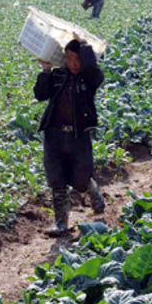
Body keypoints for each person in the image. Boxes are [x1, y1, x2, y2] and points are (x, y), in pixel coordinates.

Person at [34, 32, 105, 236]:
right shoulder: (57, 76)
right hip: (54, 135)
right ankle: (61, 223)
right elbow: (40, 95)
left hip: (78, 137)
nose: (73, 64)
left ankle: (92, 190)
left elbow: (92, 68)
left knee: (81, 180)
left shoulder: (90, 79)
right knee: (57, 181)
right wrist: (46, 71)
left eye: (77, 59)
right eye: (69, 58)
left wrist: (84, 44)